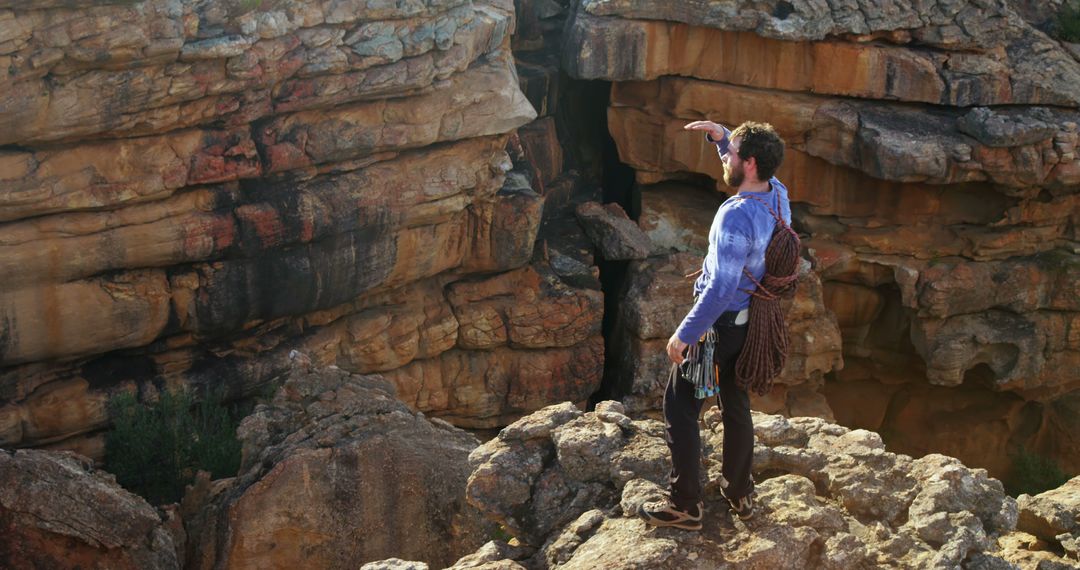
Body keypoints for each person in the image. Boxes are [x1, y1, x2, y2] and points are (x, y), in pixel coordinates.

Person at [639, 120, 790, 530]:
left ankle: (686, 504)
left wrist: (684, 334)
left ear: (751, 162)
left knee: (680, 406)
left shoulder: (736, 217)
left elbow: (722, 286)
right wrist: (723, 138)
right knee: (735, 403)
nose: (728, 159)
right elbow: (736, 165)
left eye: (735, 153)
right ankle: (739, 491)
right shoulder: (777, 196)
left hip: (719, 326)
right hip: (749, 325)